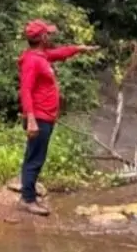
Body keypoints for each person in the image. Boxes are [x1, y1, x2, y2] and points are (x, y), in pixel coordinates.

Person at [18, 19, 98, 216]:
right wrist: (31, 119)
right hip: (38, 117)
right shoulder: (32, 60)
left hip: (45, 116)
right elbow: (26, 90)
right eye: (48, 34)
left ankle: (28, 193)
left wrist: (79, 49)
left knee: (36, 156)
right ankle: (27, 199)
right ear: (42, 37)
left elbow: (59, 53)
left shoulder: (41, 55)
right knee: (35, 158)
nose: (51, 36)